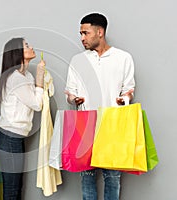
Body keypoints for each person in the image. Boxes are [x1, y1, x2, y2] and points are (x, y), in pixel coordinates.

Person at [65, 13, 135, 200]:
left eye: (85, 33)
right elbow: (69, 93)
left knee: (112, 177)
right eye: (81, 33)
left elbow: (129, 89)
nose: (82, 38)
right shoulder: (78, 60)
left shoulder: (123, 58)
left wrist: (124, 99)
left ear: (100, 32)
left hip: (113, 124)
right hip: (85, 125)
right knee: (87, 177)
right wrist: (74, 99)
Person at [0, 37, 45, 200]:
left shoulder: (26, 76)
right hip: (9, 136)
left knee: (16, 186)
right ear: (18, 53)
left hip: (15, 136)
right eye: (26, 46)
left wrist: (36, 79)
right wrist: (40, 77)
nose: (31, 47)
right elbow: (37, 104)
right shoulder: (15, 78)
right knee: (12, 188)